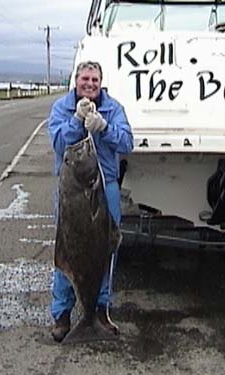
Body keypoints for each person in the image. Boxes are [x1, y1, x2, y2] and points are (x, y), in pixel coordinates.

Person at [47, 61, 134, 342]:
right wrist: (76, 121)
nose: (90, 84)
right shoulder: (62, 107)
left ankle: (99, 312)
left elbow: (127, 143)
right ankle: (62, 314)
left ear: (101, 82)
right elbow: (59, 143)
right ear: (76, 80)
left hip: (104, 186)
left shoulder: (114, 108)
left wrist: (105, 127)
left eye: (95, 79)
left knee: (105, 250)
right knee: (67, 250)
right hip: (71, 189)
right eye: (85, 79)